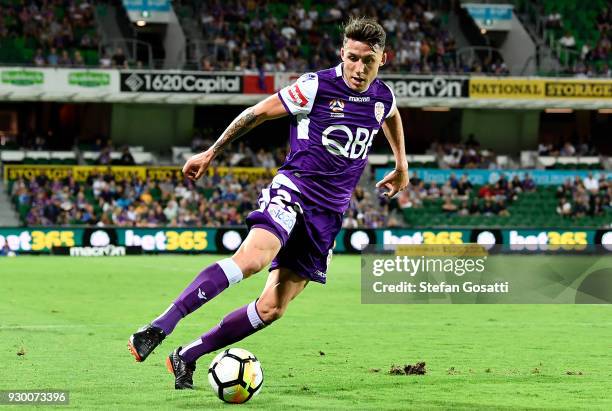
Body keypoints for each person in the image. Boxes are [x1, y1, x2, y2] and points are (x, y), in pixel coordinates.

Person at [127, 17, 409, 389]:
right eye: (352, 57)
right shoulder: (316, 86)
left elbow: (391, 116)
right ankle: (162, 324)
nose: (358, 68)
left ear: (382, 59)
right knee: (253, 260)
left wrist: (401, 163)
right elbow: (256, 113)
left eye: (367, 61)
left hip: (328, 216)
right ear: (342, 52)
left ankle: (186, 356)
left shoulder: (382, 96)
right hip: (293, 192)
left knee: (272, 308)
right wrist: (212, 152)